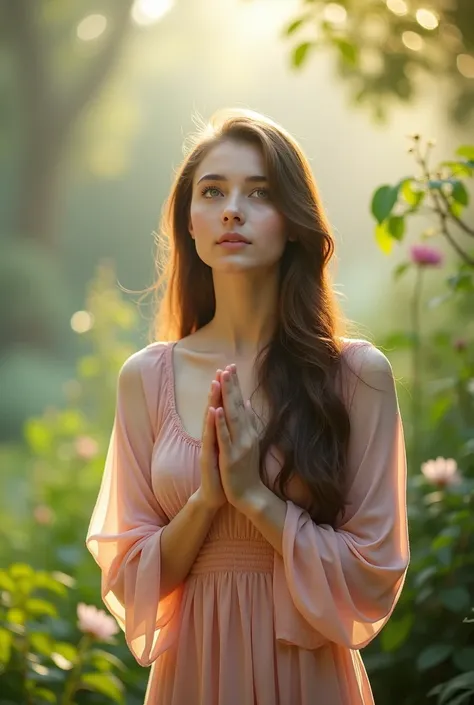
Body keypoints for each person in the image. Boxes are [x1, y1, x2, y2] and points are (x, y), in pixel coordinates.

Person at [86, 108, 410, 705]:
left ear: (293, 222)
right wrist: (207, 500)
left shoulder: (357, 375)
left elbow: (374, 569)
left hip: (310, 676)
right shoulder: (145, 378)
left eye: (259, 193)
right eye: (213, 191)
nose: (232, 208)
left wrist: (255, 499)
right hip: (193, 675)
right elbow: (129, 576)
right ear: (190, 220)